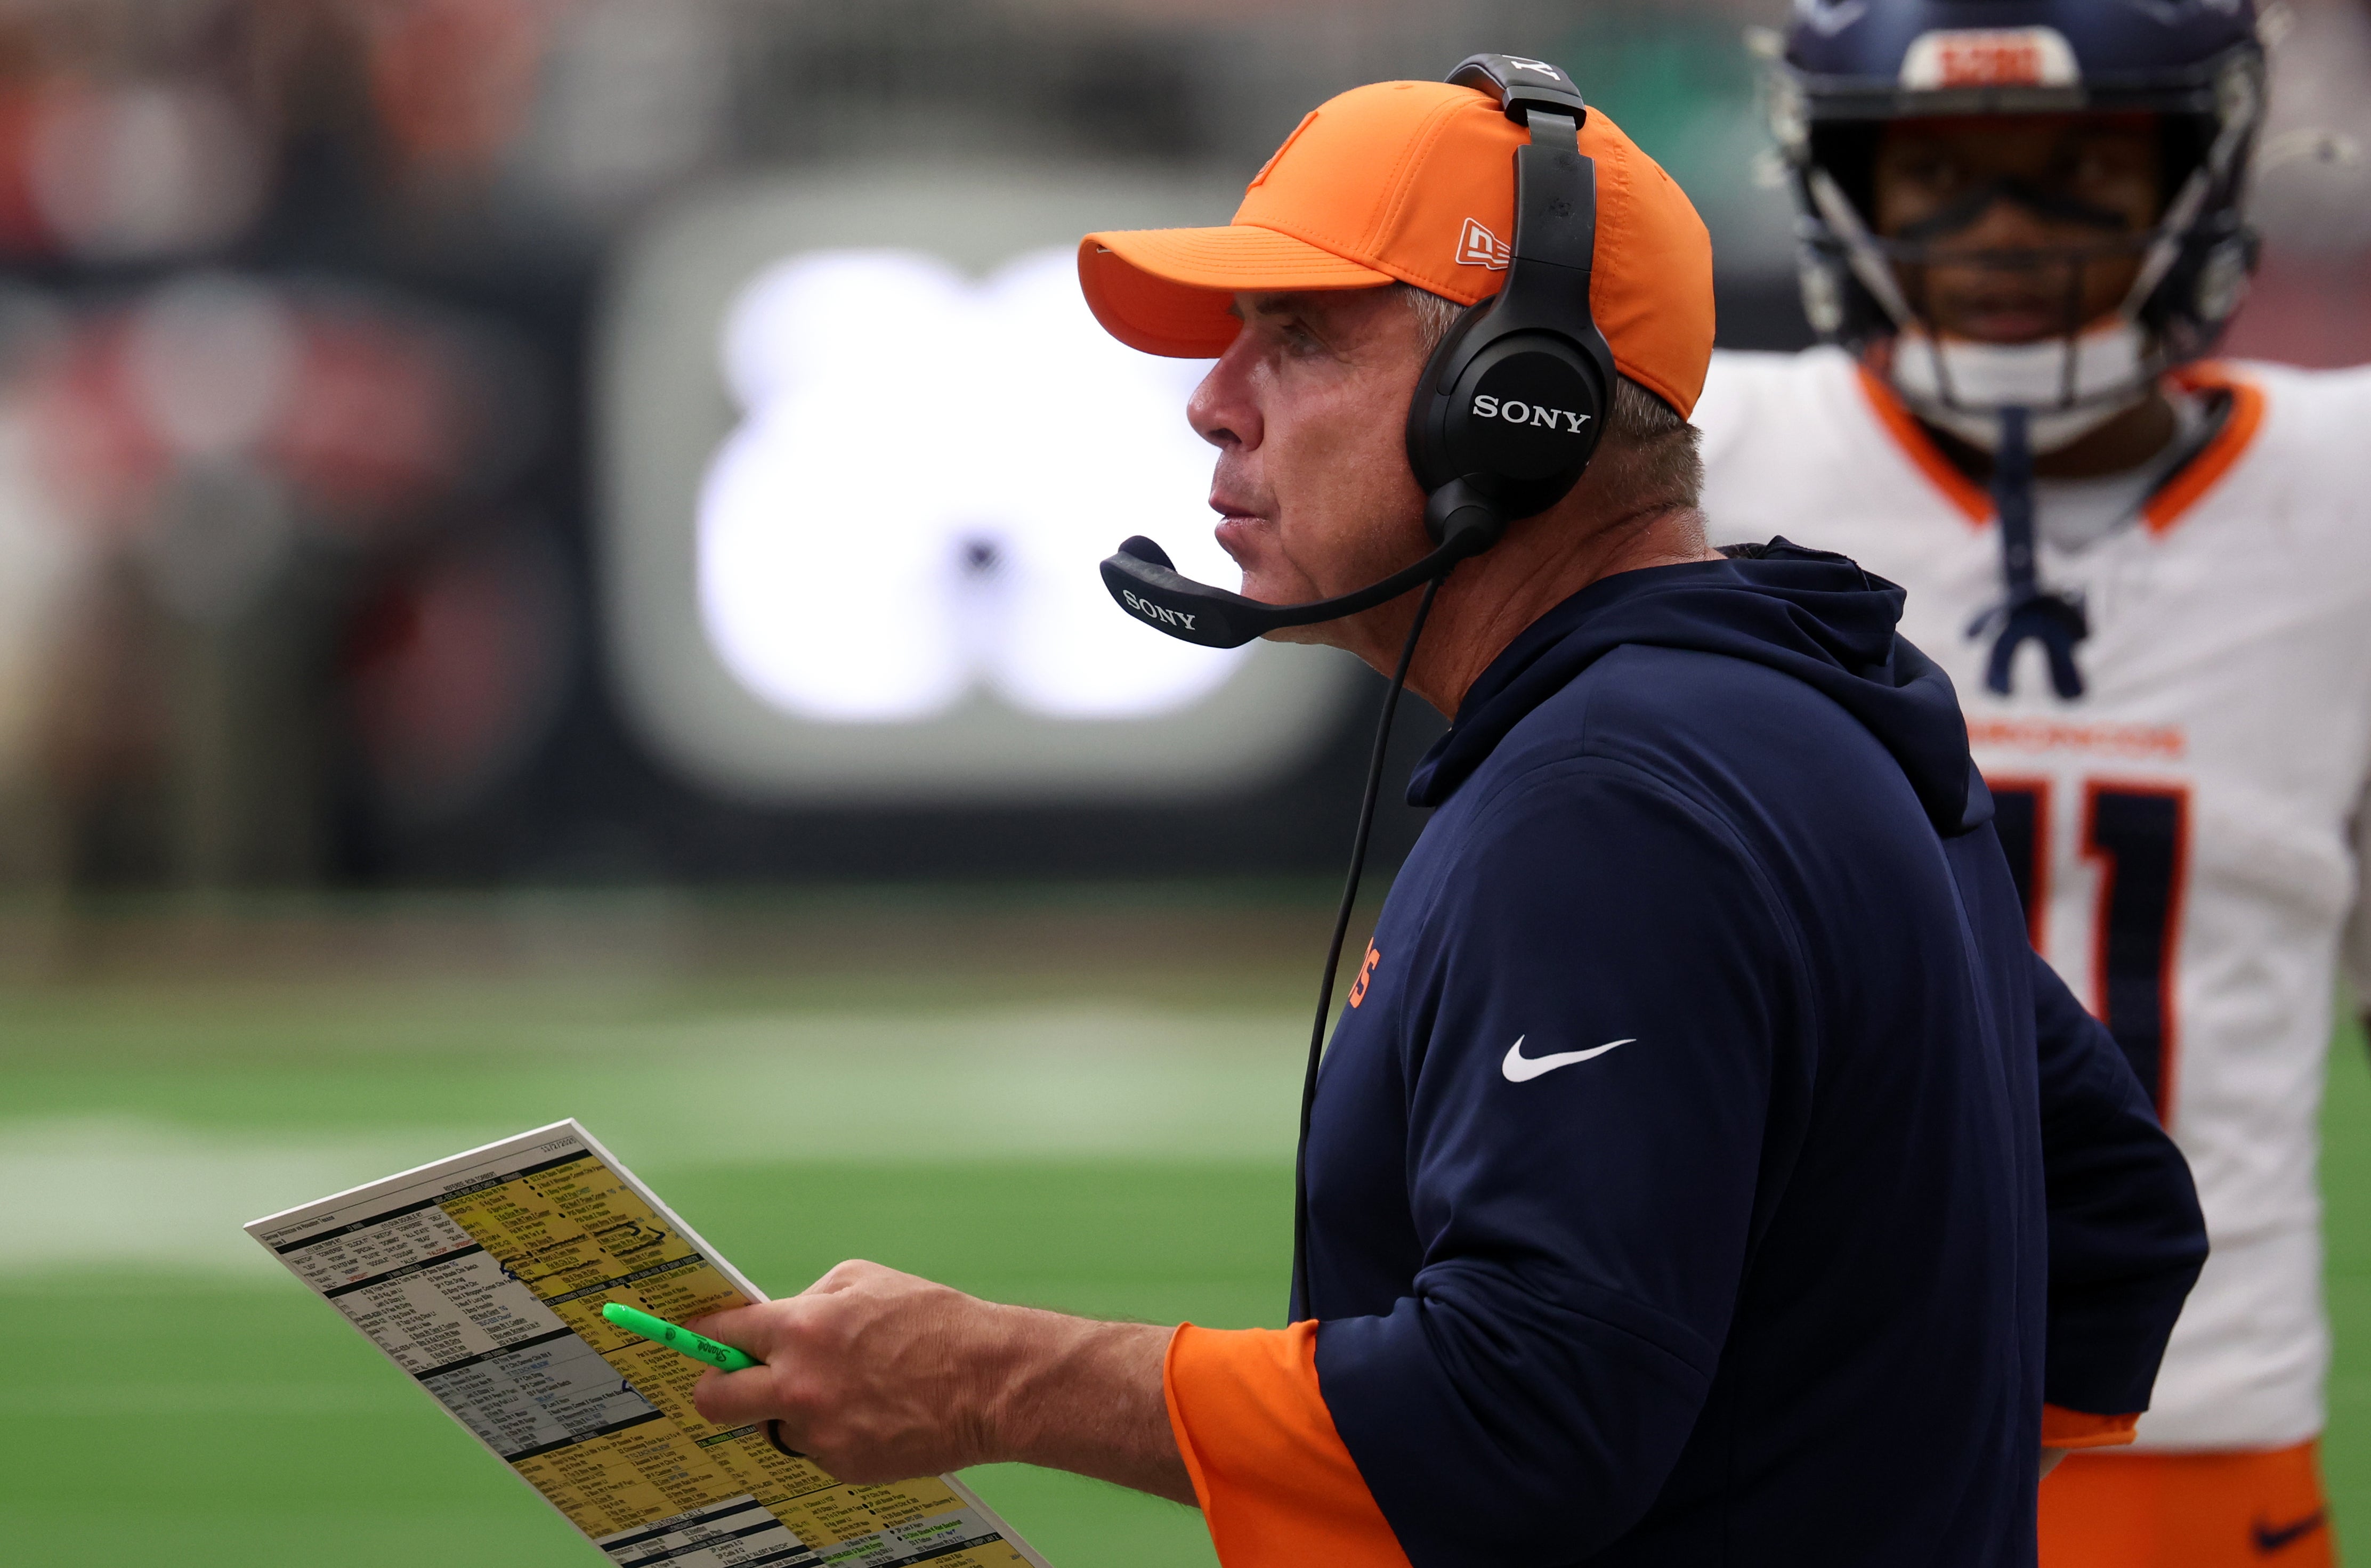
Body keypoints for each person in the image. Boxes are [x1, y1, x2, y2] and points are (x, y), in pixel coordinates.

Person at [686, 63, 2208, 1566]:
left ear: (1518, 404)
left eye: (1294, 340)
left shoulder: (1613, 801)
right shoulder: (1795, 707)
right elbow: (2114, 1217)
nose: (1212, 403)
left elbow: (1521, 1416)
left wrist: (987, 1379)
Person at [1693, 2, 2371, 1562]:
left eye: (2081, 163)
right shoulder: (1698, 449)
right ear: (1842, 182)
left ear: (2195, 174)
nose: (2005, 229)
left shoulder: (2336, 501)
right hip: (1777, 1429)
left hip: (2190, 1443)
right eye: (1936, 172)